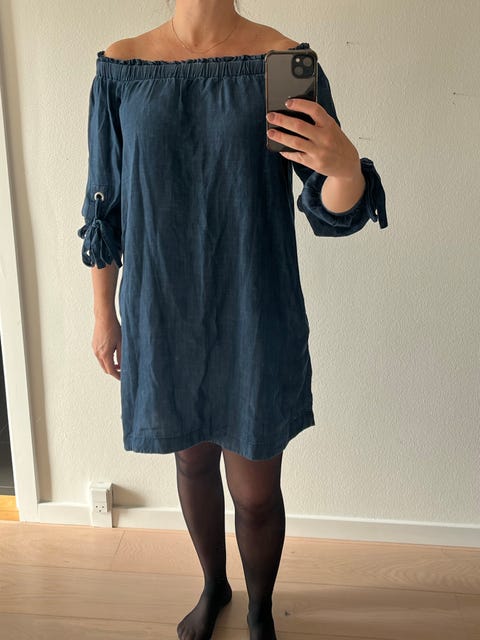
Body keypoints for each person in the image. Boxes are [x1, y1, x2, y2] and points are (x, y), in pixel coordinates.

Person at [77, 1, 387, 638]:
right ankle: (213, 585)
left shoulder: (283, 63)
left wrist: (345, 167)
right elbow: (104, 207)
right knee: (191, 464)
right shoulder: (121, 68)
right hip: (162, 311)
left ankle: (259, 607)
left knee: (255, 491)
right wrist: (103, 313)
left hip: (254, 308)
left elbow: (329, 207)